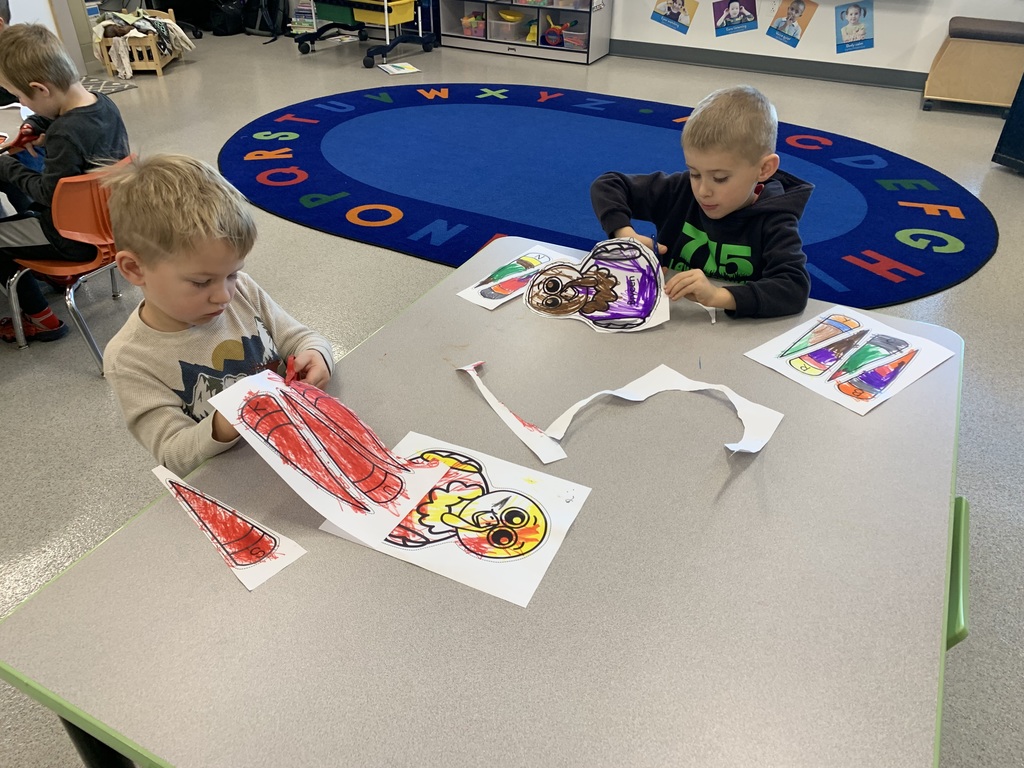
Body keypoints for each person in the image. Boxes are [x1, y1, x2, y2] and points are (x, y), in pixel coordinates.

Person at [102, 154, 335, 476]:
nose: (224, 295)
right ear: (134, 269)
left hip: (301, 448)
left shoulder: (242, 291)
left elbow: (300, 337)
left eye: (233, 274)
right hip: (239, 481)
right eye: (201, 282)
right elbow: (173, 454)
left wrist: (316, 354)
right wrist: (228, 421)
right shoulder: (129, 359)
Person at [590, 85, 812, 319]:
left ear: (764, 169)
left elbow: (794, 288)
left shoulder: (775, 218)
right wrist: (624, 232)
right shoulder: (679, 191)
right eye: (695, 173)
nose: (703, 191)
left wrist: (719, 296)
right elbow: (608, 185)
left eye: (720, 178)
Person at [0, 23, 129, 343]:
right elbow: (57, 117)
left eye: (19, 97)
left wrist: (4, 165)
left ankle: (41, 318)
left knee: (13, 177)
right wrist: (33, 125)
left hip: (72, 239)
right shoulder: (102, 104)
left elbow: (47, 193)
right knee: (19, 175)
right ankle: (53, 274)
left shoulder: (64, 134)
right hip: (112, 226)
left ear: (39, 89)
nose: (22, 103)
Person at [0, 0, 47, 216]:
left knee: (29, 200)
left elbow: (41, 112)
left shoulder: (23, 56)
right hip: (9, 139)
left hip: (26, 142)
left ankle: (33, 222)